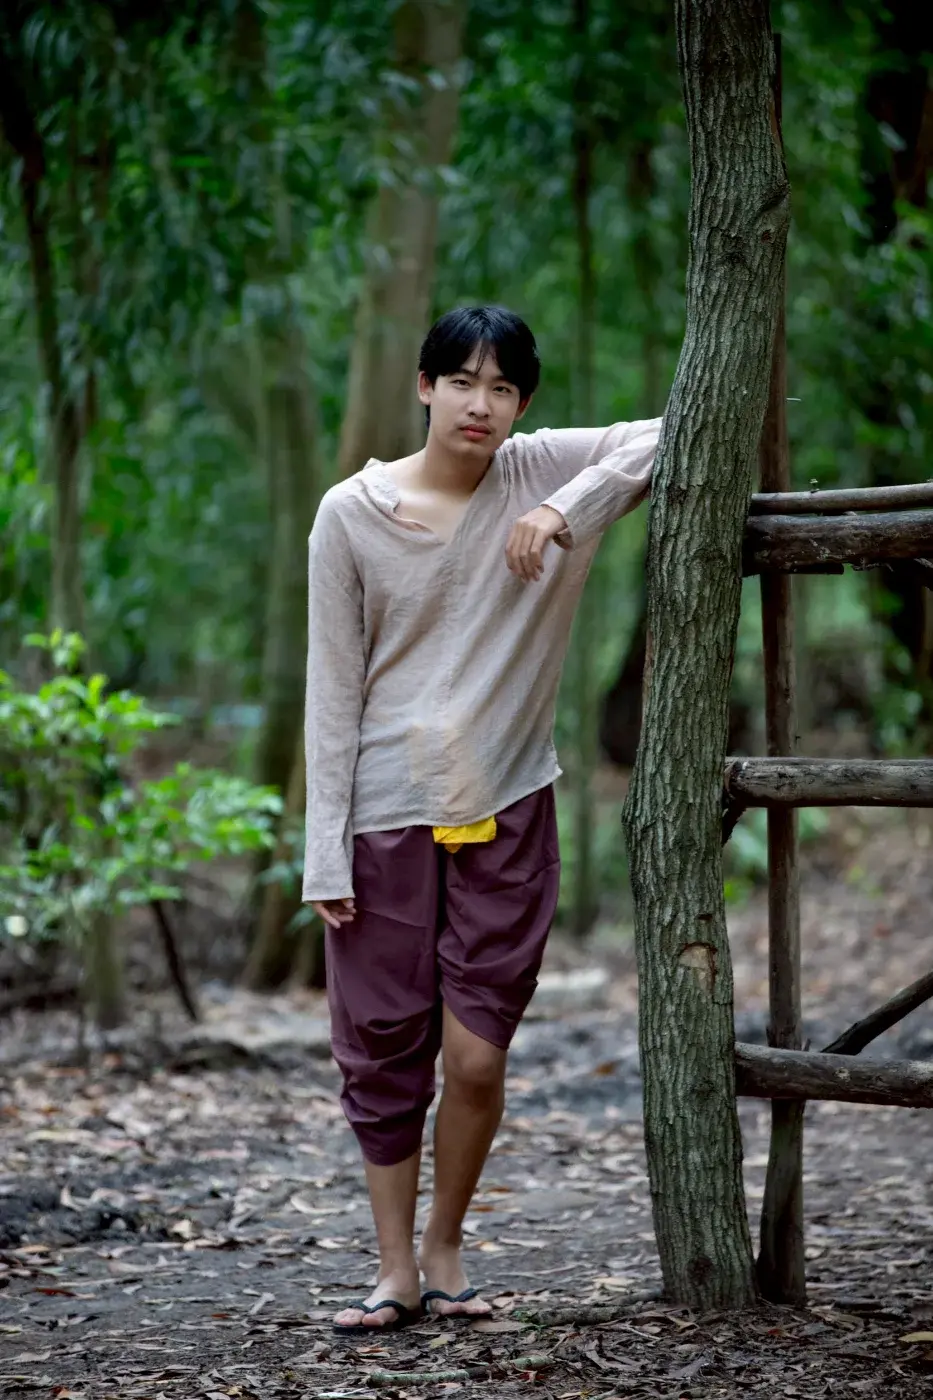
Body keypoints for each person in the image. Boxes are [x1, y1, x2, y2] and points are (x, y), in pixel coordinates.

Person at [303, 305, 662, 1335]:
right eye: (461, 380)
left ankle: (445, 1247)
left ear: (522, 403)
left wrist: (566, 508)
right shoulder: (351, 514)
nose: (481, 403)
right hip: (381, 813)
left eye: (502, 387)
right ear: (424, 387)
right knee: (383, 1053)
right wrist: (323, 849)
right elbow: (333, 688)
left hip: (506, 803)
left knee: (475, 1056)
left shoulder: (536, 468)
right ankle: (392, 1269)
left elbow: (682, 422)